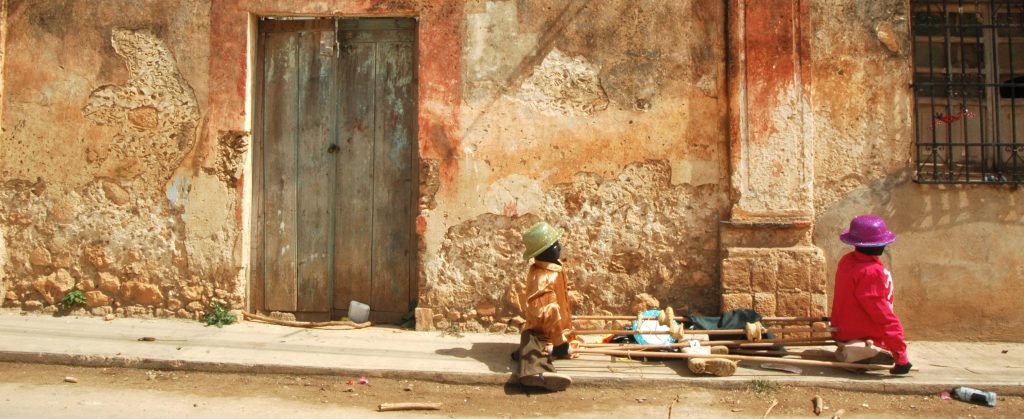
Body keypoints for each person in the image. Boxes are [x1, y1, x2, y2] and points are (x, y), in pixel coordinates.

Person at [831, 215, 912, 375]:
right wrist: (901, 357)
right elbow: (883, 315)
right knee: (887, 350)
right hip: (862, 335)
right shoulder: (871, 272)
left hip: (843, 330)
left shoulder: (847, 261)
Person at [513, 221, 574, 391]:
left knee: (530, 345)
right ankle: (536, 374)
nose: (559, 247)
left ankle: (532, 357)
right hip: (543, 331)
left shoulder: (552, 268)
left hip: (558, 328)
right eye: (555, 245)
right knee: (532, 347)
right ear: (544, 251)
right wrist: (559, 342)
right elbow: (548, 312)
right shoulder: (544, 278)